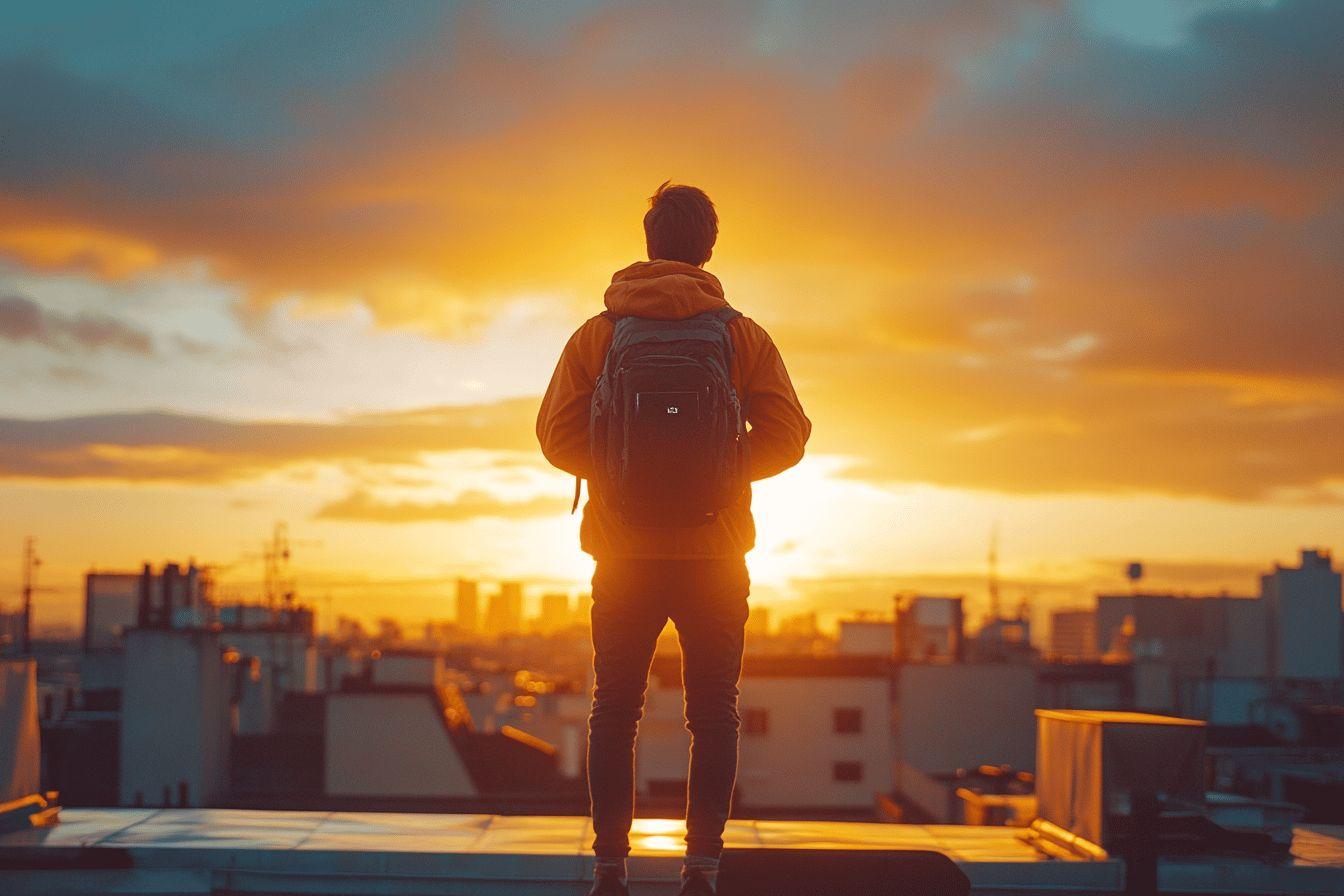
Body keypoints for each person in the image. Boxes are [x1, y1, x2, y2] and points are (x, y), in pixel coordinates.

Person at [537, 182, 811, 895]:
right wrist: (719, 472)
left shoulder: (598, 334)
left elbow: (554, 435)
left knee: (615, 708)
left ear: (650, 243)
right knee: (714, 710)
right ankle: (702, 869)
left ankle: (609, 870)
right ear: (707, 248)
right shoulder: (740, 335)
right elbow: (790, 436)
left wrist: (621, 467)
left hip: (623, 553)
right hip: (715, 553)